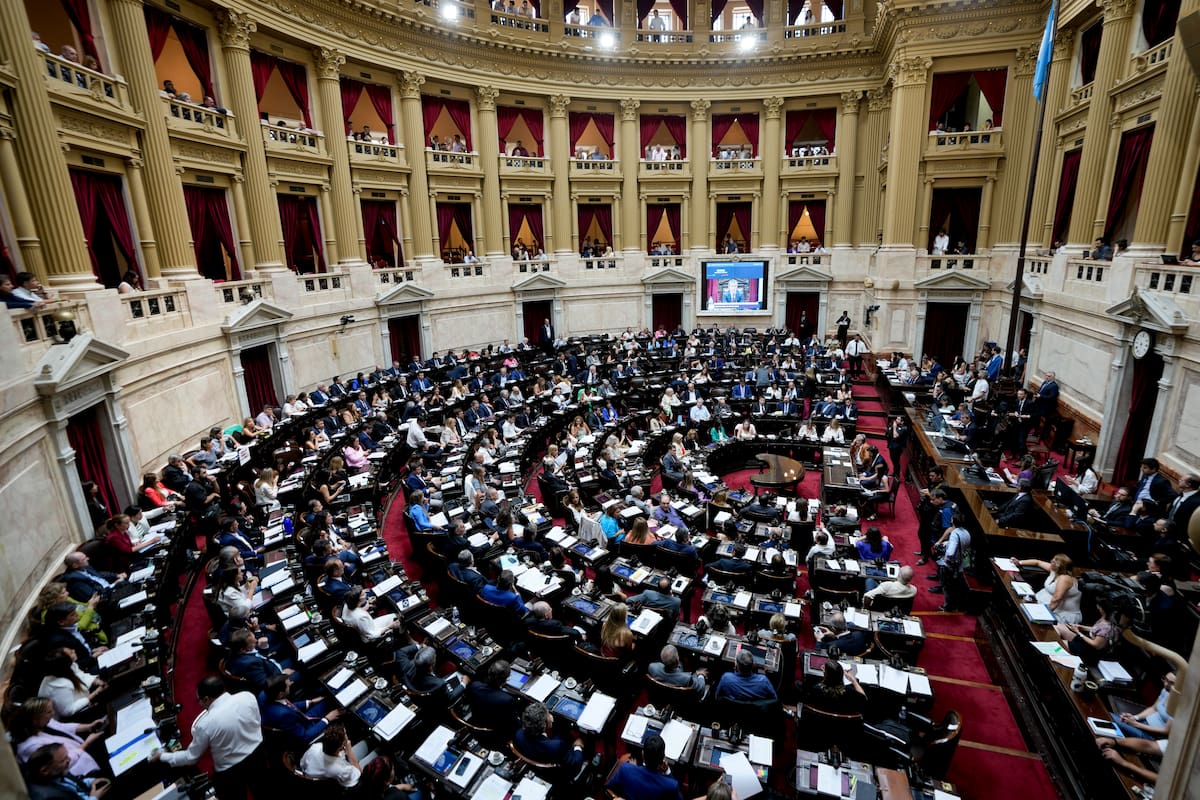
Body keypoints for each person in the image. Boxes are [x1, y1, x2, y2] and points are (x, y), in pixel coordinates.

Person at [155, 676, 269, 800]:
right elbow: (257, 722)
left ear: (206, 699)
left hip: (230, 774)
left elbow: (191, 757)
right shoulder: (248, 696)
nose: (199, 704)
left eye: (199, 700)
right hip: (259, 756)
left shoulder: (205, 724)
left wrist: (162, 756)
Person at [10, 697, 105, 777]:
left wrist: (88, 726)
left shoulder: (43, 722)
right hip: (79, 770)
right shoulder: (30, 747)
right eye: (48, 712)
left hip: (83, 750)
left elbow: (63, 727)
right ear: (35, 719)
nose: (52, 714)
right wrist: (86, 744)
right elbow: (60, 763)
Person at [606, 735, 683, 800]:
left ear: (642, 754)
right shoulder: (671, 785)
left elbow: (609, 788)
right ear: (663, 757)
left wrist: (633, 769)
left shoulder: (626, 768)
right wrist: (668, 772)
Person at [24, 743, 111, 800]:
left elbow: (74, 781)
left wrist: (91, 781)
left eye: (67, 756)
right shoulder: (48, 797)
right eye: (63, 760)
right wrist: (94, 798)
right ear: (45, 770)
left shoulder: (56, 772)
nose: (69, 760)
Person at [1018, 554, 1083, 624]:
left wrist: (1042, 614)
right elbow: (1037, 562)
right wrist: (1019, 562)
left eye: (1055, 561)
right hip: (1040, 602)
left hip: (1059, 613)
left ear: (1061, 566)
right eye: (1053, 559)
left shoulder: (1065, 578)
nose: (1051, 561)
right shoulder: (1054, 570)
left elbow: (1056, 599)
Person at [465, 659, 520, 734]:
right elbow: (514, 724)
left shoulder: (475, 686)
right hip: (495, 733)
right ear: (505, 679)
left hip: (476, 723)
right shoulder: (507, 700)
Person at [301, 722, 361, 788]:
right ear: (342, 745)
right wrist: (349, 749)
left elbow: (302, 765)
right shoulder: (342, 769)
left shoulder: (315, 747)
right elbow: (359, 776)